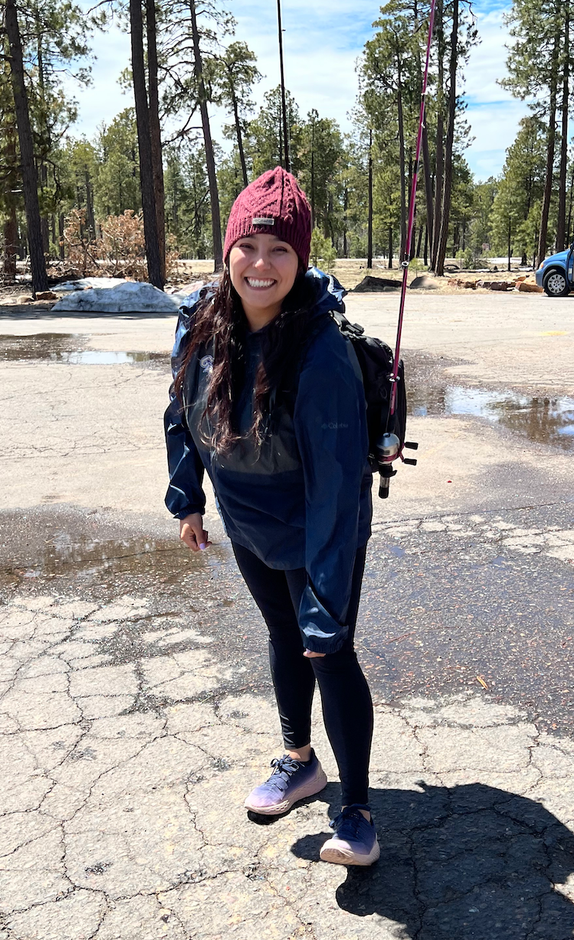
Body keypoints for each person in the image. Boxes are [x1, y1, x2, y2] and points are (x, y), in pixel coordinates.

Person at [164, 166, 378, 867]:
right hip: (247, 515)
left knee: (327, 646)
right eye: (249, 246)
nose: (262, 264)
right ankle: (299, 763)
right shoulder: (198, 322)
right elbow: (180, 412)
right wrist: (187, 497)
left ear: (302, 259)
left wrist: (327, 591)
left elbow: (338, 484)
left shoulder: (320, 351)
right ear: (227, 250)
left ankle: (356, 811)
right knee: (283, 636)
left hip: (318, 520)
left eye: (281, 249)